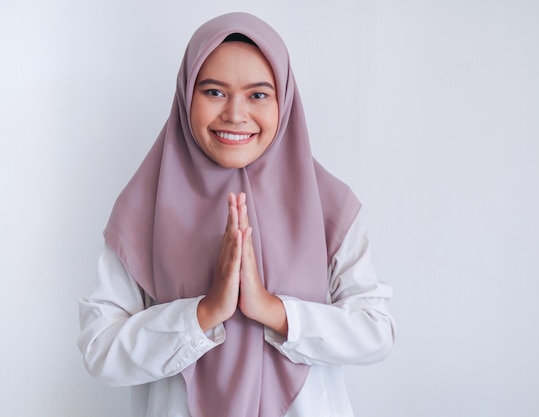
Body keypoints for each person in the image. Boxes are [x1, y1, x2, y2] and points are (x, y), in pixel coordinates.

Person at [78, 12, 395, 417]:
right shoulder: (144, 207)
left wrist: (270, 309)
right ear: (185, 94)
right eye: (213, 92)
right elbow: (98, 350)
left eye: (258, 95)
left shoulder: (329, 205)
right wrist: (204, 312)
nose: (235, 114)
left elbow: (376, 331)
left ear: (285, 100)